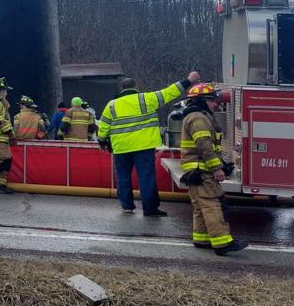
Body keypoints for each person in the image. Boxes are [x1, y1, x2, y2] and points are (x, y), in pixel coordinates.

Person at [99, 71, 199, 215]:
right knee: (146, 178)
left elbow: (103, 126)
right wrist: (189, 81)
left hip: (121, 148)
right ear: (136, 87)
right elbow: (169, 92)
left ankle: (127, 206)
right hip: (144, 147)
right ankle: (150, 209)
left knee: (123, 177)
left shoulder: (111, 105)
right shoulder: (146, 99)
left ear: (122, 89)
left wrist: (102, 141)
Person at [174, 83, 244, 255]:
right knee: (212, 205)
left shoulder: (198, 116)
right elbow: (204, 146)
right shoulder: (198, 118)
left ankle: (202, 239)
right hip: (202, 170)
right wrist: (217, 168)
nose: (216, 104)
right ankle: (222, 243)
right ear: (202, 101)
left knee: (201, 206)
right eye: (213, 100)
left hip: (197, 170)